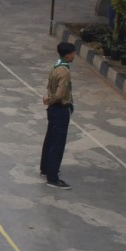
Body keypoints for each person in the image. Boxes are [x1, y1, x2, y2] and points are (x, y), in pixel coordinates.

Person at [40, 42, 76, 189]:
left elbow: (49, 86)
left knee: (50, 139)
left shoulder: (56, 66)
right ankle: (53, 178)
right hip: (60, 109)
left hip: (53, 110)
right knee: (57, 143)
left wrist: (48, 98)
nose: (74, 56)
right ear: (68, 55)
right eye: (73, 53)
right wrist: (49, 99)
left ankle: (46, 168)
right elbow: (60, 94)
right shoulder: (64, 71)